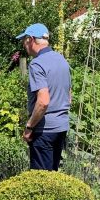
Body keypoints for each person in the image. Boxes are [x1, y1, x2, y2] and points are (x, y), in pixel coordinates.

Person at [17, 23, 71, 171]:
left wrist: (29, 127)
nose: (24, 45)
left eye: (24, 40)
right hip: (61, 127)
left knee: (41, 182)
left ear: (31, 39)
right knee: (52, 178)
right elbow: (69, 96)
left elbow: (43, 101)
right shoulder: (61, 60)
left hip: (44, 131)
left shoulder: (37, 64)